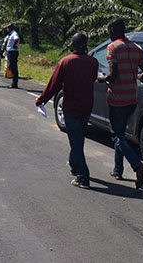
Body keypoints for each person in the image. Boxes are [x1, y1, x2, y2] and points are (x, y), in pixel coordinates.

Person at [36, 33, 99, 188]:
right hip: (86, 106)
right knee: (79, 138)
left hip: (71, 107)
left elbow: (54, 84)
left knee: (75, 141)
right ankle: (73, 163)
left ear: (74, 44)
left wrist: (41, 100)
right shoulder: (93, 62)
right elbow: (92, 79)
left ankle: (83, 177)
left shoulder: (66, 62)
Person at [97, 18, 143, 189]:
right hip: (132, 98)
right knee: (120, 134)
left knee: (116, 136)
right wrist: (134, 77)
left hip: (117, 98)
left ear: (113, 29)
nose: (108, 33)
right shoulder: (137, 48)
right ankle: (117, 170)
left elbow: (113, 75)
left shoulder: (113, 48)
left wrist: (101, 78)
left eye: (109, 30)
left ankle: (138, 166)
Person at [6, 23, 20, 88]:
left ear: (11, 27)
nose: (7, 29)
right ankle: (14, 82)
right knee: (12, 67)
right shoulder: (11, 34)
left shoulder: (14, 34)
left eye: (8, 27)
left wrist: (14, 45)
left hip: (13, 52)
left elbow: (16, 39)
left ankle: (15, 83)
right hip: (10, 52)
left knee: (14, 68)